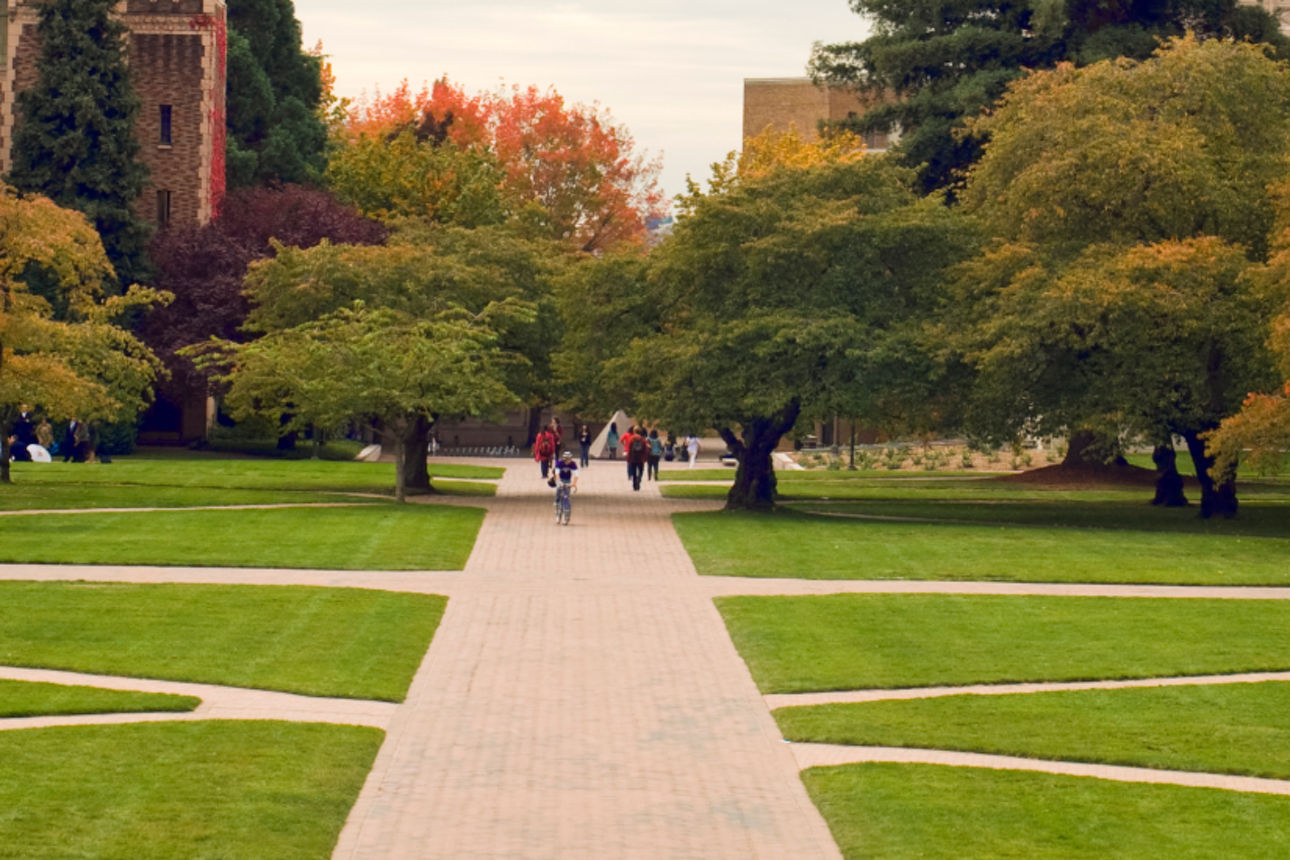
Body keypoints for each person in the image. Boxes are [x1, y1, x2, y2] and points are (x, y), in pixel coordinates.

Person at [551, 449, 578, 524]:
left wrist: (574, 483)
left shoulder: (573, 464)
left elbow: (576, 474)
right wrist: (559, 482)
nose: (567, 461)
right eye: (566, 460)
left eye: (569, 459)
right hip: (560, 479)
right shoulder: (559, 463)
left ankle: (566, 516)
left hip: (567, 480)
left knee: (566, 497)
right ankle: (557, 506)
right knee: (559, 492)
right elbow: (557, 474)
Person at [625, 426, 650, 490]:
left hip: (633, 458)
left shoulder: (631, 439)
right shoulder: (642, 440)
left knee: (633, 472)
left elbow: (630, 449)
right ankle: (639, 480)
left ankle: (634, 484)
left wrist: (628, 458)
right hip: (640, 458)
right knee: (641, 471)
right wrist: (644, 458)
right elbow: (645, 450)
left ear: (634, 431)